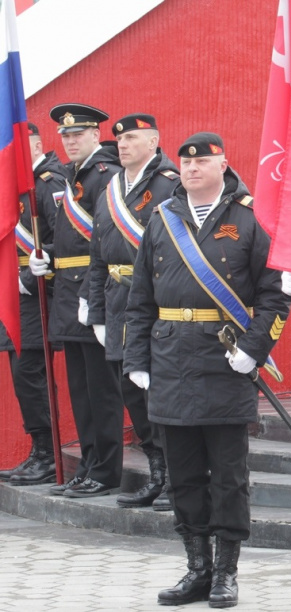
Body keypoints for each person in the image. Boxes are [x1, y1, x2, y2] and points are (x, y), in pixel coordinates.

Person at [123, 132, 290, 608]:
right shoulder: (162, 219)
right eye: (186, 162)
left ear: (223, 165)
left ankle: (226, 573)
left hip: (225, 361)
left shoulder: (250, 217)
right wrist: (137, 359)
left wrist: (255, 349)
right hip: (171, 359)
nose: (192, 168)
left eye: (204, 161)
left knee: (229, 475)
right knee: (184, 474)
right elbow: (140, 299)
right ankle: (196, 567)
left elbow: (275, 295)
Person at [29, 103, 125, 498]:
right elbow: (69, 238)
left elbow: (107, 240)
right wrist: (48, 256)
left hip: (93, 291)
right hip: (69, 293)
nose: (70, 142)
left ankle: (105, 470)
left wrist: (91, 294)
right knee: (81, 391)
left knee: (101, 390)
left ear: (95, 136)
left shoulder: (105, 175)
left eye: (78, 135)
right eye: (65, 136)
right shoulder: (72, 175)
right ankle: (89, 464)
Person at [84, 114, 179, 509]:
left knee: (159, 392)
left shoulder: (169, 185)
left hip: (155, 303)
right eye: (119, 139)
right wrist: (96, 310)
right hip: (118, 301)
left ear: (154, 141)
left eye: (132, 137)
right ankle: (157, 473)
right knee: (131, 391)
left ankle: (178, 478)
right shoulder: (110, 189)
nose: (122, 144)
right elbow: (97, 253)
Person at [0, 123, 65, 485]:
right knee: (22, 375)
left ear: (38, 145)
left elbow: (66, 240)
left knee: (30, 374)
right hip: (13, 293)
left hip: (38, 292)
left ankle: (48, 454)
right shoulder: (15, 186)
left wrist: (27, 279)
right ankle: (39, 450)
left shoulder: (49, 183)